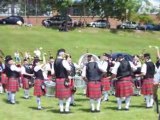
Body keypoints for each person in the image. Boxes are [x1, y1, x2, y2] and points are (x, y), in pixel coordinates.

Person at [54, 49, 72, 113]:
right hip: (64, 79)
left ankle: (61, 110)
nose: (65, 54)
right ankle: (66, 109)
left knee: (60, 97)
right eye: (64, 53)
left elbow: (53, 72)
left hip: (58, 80)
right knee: (69, 96)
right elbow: (69, 69)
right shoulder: (63, 61)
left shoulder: (55, 61)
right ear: (61, 54)